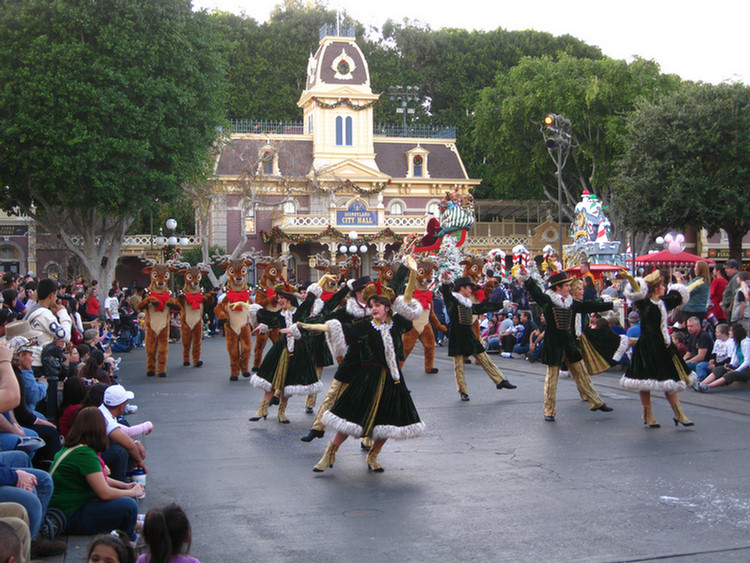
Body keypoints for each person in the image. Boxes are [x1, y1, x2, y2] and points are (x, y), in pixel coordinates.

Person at [300, 268, 426, 473]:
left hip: (392, 379)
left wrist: (412, 273)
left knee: (388, 422)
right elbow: (335, 328)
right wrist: (305, 327)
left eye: (377, 305)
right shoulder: (366, 327)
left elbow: (408, 299)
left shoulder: (397, 324)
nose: (373, 308)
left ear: (387, 308)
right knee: (349, 419)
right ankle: (329, 453)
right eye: (371, 305)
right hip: (367, 378)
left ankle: (373, 456)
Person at [519, 266, 614, 421]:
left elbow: (588, 306)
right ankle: (549, 410)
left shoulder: (570, 303)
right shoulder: (548, 301)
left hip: (569, 342)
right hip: (554, 343)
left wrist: (609, 305)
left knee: (581, 373)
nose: (570, 288)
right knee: (552, 378)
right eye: (567, 285)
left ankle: (595, 401)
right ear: (558, 287)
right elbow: (536, 292)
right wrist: (527, 278)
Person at [49, 406, 143, 540]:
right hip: (70, 515)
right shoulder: (84, 454)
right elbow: (105, 493)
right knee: (129, 506)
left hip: (63, 511)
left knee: (122, 500)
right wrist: (132, 493)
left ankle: (131, 529)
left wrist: (125, 486)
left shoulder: (73, 448)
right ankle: (129, 540)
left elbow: (98, 478)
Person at [619, 270, 695, 427]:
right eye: (662, 285)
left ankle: (679, 414)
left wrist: (684, 281)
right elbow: (638, 292)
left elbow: (679, 295)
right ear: (655, 288)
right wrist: (631, 280)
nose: (664, 287)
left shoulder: (663, 302)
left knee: (669, 380)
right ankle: (648, 415)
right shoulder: (644, 303)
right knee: (645, 382)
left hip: (663, 345)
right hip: (648, 345)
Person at [248, 284, 324, 424]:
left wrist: (315, 290)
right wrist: (263, 326)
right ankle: (262, 409)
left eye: (282, 297)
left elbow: (309, 305)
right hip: (280, 349)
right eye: (278, 297)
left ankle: (281, 412)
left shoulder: (300, 312)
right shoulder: (279, 314)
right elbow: (272, 322)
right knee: (272, 380)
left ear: (289, 299)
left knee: (288, 383)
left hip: (298, 350)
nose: (279, 300)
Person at [440, 274, 516, 402]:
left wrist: (503, 304)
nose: (471, 290)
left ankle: (500, 380)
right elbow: (447, 294)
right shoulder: (452, 301)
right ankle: (463, 391)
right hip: (457, 337)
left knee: (485, 359)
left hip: (469, 336)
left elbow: (483, 307)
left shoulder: (469, 304)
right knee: (459, 366)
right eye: (469, 288)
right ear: (461, 288)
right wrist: (446, 282)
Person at [97, 385, 148, 481]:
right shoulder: (107, 419)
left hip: (96, 453)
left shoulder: (104, 411)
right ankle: (119, 482)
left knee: (130, 447)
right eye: (126, 403)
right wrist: (140, 461)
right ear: (121, 407)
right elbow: (129, 445)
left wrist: (136, 442)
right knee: (121, 451)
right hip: (93, 456)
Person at [697, 323, 750, 391]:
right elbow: (735, 358)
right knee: (720, 369)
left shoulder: (746, 343)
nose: (729, 332)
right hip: (739, 366)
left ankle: (707, 386)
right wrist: (730, 366)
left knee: (732, 374)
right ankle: (701, 383)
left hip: (747, 369)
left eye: (731, 331)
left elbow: (747, 361)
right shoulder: (736, 342)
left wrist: (736, 370)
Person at [683, 316, 714, 381]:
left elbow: (701, 357)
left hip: (705, 362)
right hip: (694, 362)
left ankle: (700, 382)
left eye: (691, 326)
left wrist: (687, 362)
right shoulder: (691, 336)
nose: (689, 328)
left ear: (698, 326)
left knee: (699, 366)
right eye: (688, 326)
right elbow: (688, 353)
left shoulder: (703, 336)